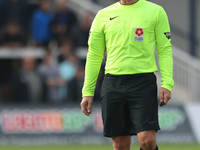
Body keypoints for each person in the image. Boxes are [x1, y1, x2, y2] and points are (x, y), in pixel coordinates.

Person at [80, 0, 174, 150]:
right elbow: (94, 55)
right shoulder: (103, 15)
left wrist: (167, 83)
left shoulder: (156, 11)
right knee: (120, 144)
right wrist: (87, 92)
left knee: (147, 140)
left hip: (143, 82)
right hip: (113, 83)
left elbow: (164, 49)